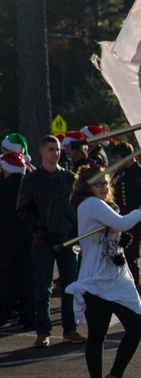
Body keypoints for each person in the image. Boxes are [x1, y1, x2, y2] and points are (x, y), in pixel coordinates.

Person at [64, 164, 141, 378]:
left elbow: (117, 231)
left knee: (137, 326)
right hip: (97, 280)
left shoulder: (107, 206)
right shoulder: (90, 205)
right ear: (87, 187)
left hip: (119, 276)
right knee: (97, 335)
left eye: (105, 182)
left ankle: (115, 375)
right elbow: (122, 223)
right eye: (97, 183)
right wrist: (140, 212)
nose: (103, 187)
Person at [16, 134, 86, 347]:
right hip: (43, 242)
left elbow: (77, 208)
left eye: (57, 150)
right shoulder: (31, 180)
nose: (55, 153)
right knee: (43, 289)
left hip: (66, 242)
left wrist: (75, 234)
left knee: (70, 287)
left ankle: (70, 329)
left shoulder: (69, 178)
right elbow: (22, 209)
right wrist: (40, 226)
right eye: (50, 150)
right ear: (41, 152)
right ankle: (43, 331)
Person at [108, 142, 141, 295]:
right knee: (116, 253)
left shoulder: (140, 175)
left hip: (133, 220)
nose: (115, 161)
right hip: (117, 219)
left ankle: (135, 287)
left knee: (131, 254)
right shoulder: (119, 174)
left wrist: (138, 214)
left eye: (117, 157)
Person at [0, 152, 34, 331]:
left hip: (6, 239)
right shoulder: (30, 185)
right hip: (29, 238)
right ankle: (28, 316)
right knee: (28, 279)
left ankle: (3, 313)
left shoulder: (3, 187)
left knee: (6, 278)